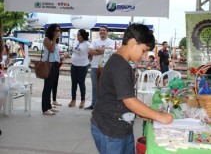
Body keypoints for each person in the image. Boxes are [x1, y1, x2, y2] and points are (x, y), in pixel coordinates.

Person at [90, 23, 173, 154]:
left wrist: (144, 112)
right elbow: (129, 101)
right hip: (110, 131)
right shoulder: (120, 66)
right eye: (144, 50)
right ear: (133, 43)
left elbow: (127, 98)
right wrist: (160, 116)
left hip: (122, 126)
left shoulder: (121, 62)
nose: (144, 56)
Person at [85, 25, 115, 110]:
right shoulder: (95, 41)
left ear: (107, 32)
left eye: (104, 30)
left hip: (105, 67)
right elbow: (89, 51)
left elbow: (109, 50)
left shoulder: (111, 41)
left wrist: (96, 50)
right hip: (95, 67)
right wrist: (102, 51)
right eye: (100, 30)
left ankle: (104, 105)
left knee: (105, 87)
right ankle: (94, 104)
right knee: (95, 87)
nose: (102, 31)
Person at [41, 23, 62, 115]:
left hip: (55, 65)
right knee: (47, 87)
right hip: (49, 65)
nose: (58, 32)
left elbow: (55, 53)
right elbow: (51, 50)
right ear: (52, 31)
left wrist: (61, 56)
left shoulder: (55, 41)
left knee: (51, 86)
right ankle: (45, 108)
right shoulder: (46, 39)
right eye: (56, 30)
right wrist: (54, 38)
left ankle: (49, 106)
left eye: (59, 30)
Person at [68, 29, 91, 109]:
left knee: (81, 83)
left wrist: (86, 59)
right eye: (77, 35)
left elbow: (90, 53)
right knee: (74, 83)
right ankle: (73, 100)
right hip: (74, 64)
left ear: (83, 36)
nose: (77, 36)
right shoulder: (75, 41)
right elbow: (73, 51)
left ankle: (82, 100)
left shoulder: (87, 44)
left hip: (83, 66)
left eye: (79, 35)